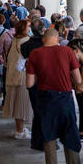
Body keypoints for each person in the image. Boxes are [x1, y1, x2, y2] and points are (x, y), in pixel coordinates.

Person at [26, 29, 83, 164]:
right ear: (57, 38)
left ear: (44, 39)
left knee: (49, 137)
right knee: (70, 134)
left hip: (46, 99)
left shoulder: (35, 54)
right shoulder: (67, 51)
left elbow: (29, 83)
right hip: (65, 98)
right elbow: (78, 79)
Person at [3, 20, 33, 140]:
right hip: (22, 76)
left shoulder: (15, 39)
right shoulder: (25, 41)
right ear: (23, 29)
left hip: (13, 75)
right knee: (21, 105)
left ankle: (19, 129)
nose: (30, 28)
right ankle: (20, 131)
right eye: (29, 26)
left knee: (17, 104)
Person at [22, 19, 47, 150]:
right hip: (47, 81)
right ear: (43, 30)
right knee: (45, 112)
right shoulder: (47, 45)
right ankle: (44, 140)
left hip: (32, 82)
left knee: (37, 111)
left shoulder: (25, 46)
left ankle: (36, 141)